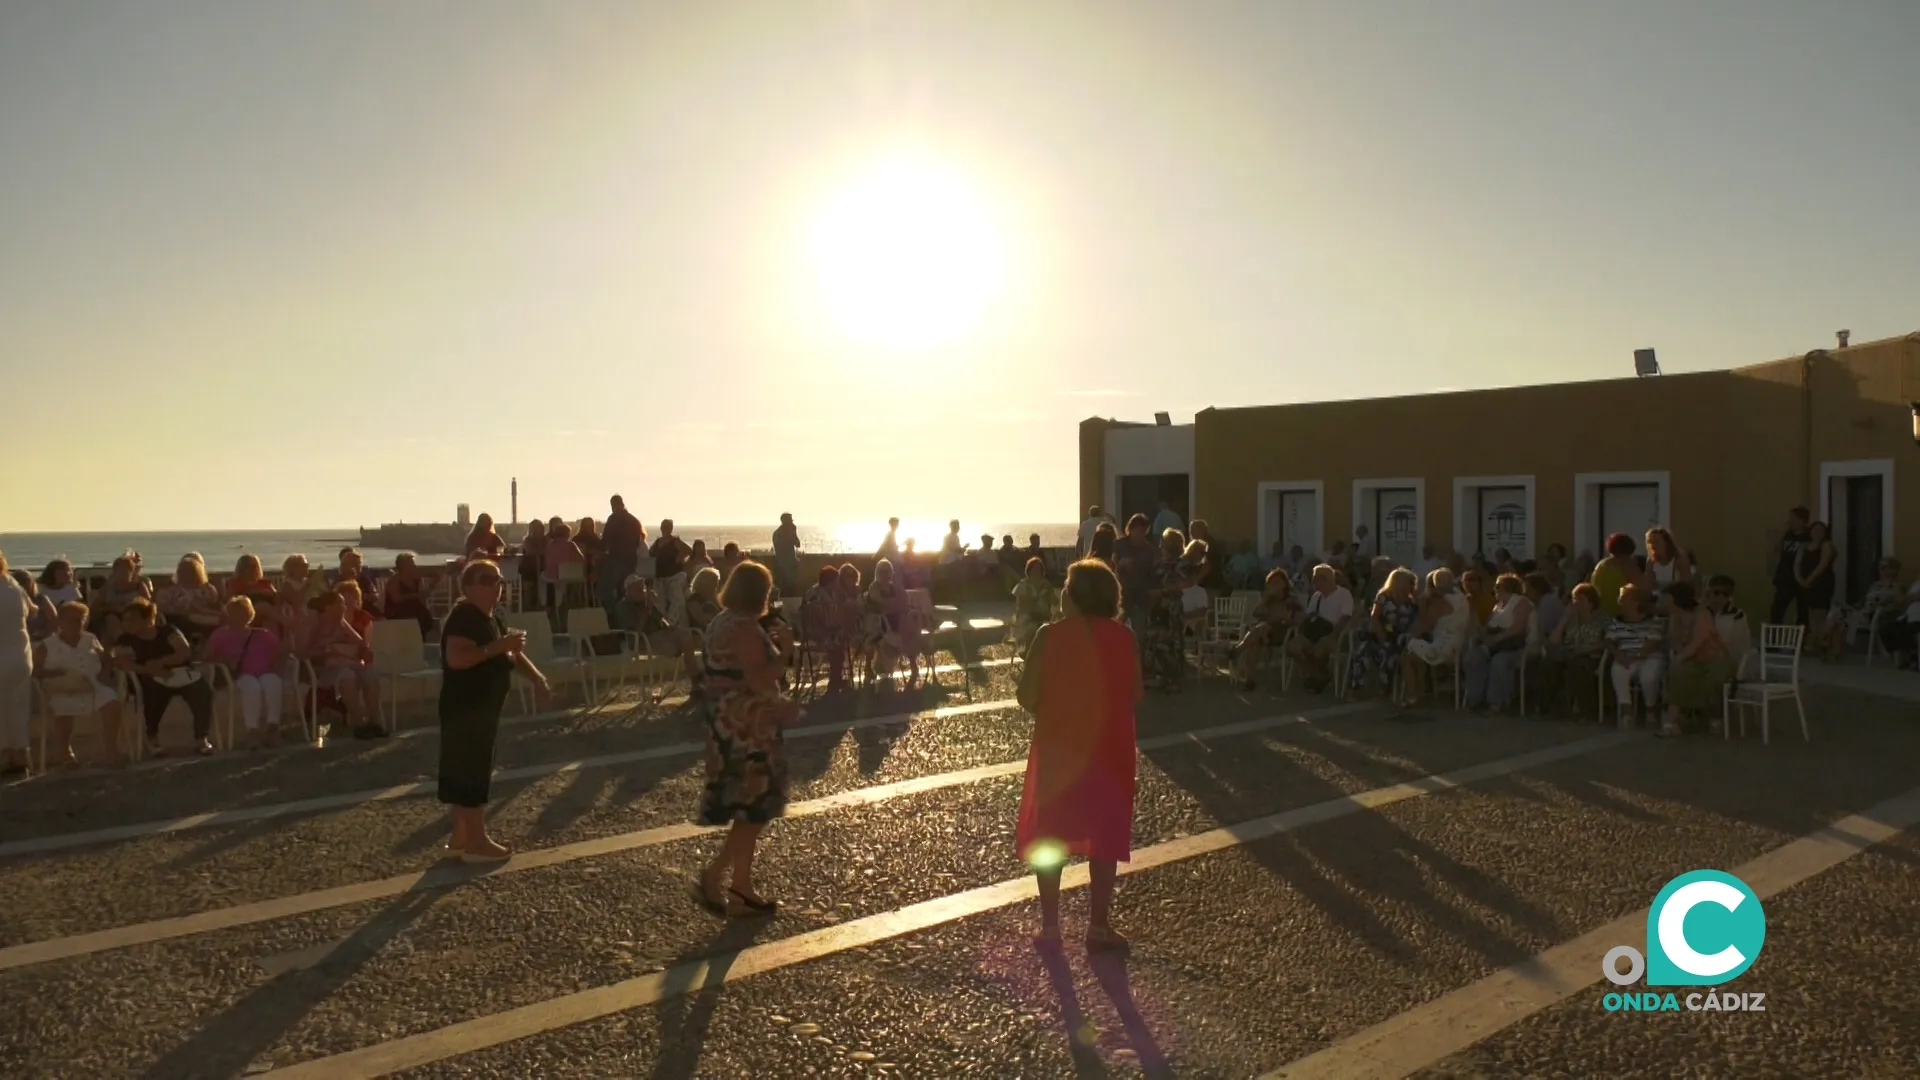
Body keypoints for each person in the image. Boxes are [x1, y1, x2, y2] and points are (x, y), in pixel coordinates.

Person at [1016, 558, 1139, 950]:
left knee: (1051, 832)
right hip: (1109, 748)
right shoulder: (1124, 638)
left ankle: (1051, 927)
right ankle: (1098, 925)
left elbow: (1026, 696)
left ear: (1074, 596)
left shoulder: (1048, 636)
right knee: (1103, 833)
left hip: (1060, 748)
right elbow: (1135, 692)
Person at [694, 560, 800, 917]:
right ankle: (715, 875)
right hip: (748, 730)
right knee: (754, 809)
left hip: (726, 726)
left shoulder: (720, 622)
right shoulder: (744, 628)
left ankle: (741, 885)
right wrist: (784, 651)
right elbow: (760, 678)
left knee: (749, 809)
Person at [438, 560, 551, 863]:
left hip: (482, 709)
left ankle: (461, 838)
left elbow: (512, 652)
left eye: (499, 580)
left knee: (468, 770)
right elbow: (457, 658)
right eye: (487, 580)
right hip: (466, 708)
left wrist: (537, 678)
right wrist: (496, 647)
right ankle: (477, 842)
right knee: (472, 772)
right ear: (469, 586)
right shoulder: (464, 617)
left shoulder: (490, 617)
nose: (496, 586)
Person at [113, 598, 215, 757]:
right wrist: (151, 670)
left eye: (131, 619)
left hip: (178, 673)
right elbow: (123, 663)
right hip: (146, 677)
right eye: (125, 619)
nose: (126, 623)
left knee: (202, 691)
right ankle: (152, 737)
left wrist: (161, 663)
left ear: (147, 619)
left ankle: (201, 738)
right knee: (153, 692)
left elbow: (183, 652)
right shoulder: (125, 640)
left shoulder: (168, 632)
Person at [32, 600, 125, 767]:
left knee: (111, 702)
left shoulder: (90, 639)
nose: (76, 623)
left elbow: (105, 658)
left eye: (80, 619)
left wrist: (105, 673)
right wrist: (57, 674)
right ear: (60, 621)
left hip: (93, 683)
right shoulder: (46, 645)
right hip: (63, 687)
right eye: (71, 620)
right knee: (63, 708)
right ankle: (65, 753)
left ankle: (111, 751)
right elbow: (35, 671)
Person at [204, 596, 286, 748]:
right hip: (240, 675)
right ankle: (252, 731)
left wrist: (277, 666)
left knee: (273, 682)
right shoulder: (221, 634)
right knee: (251, 686)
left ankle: (273, 728)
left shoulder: (264, 634)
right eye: (235, 613)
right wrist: (225, 660)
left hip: (264, 672)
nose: (239, 617)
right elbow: (208, 656)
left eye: (243, 613)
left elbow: (280, 652)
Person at [1664, 581, 1731, 738]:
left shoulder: (1702, 614)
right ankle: (1672, 723)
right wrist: (1680, 655)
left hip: (1713, 658)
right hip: (1692, 659)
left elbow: (1698, 640)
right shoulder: (1676, 617)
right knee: (1677, 674)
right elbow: (1674, 639)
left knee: (1714, 678)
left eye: (1668, 598)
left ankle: (1716, 718)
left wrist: (1682, 657)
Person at [1400, 568, 1471, 708]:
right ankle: (1419, 692)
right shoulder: (1461, 597)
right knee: (1416, 654)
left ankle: (1412, 695)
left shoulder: (1442, 602)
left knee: (1406, 657)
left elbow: (1425, 624)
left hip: (1443, 647)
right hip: (1458, 645)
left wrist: (1422, 607)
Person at [1463, 573, 1533, 712]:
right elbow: (1487, 628)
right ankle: (1476, 698)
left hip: (1514, 646)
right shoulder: (1498, 607)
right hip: (1495, 645)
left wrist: (1497, 638)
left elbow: (1518, 628)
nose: (1494, 590)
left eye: (1497, 587)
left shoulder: (1521, 602)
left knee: (1499, 662)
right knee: (1473, 658)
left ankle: (1496, 702)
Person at [1286, 564, 1355, 692]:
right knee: (1292, 647)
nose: (1313, 582)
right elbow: (1310, 615)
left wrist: (1334, 634)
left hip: (1334, 633)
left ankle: (1316, 676)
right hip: (1315, 631)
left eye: (1315, 579)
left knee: (1319, 648)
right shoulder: (1316, 596)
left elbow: (1346, 618)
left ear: (1326, 579)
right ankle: (1318, 675)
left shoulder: (1344, 594)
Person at [1350, 568, 1419, 697]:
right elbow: (1374, 617)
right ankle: (1356, 687)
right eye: (1410, 583)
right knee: (1363, 651)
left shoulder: (1412, 602)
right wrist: (1381, 635)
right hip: (1380, 634)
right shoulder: (1384, 596)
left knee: (1389, 653)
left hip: (1399, 638)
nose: (1412, 586)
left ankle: (1385, 686)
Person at [1604, 584, 1666, 726]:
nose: (1621, 602)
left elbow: (1653, 643)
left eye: (1625, 599)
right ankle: (1627, 712)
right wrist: (1617, 654)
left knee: (1648, 676)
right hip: (1625, 655)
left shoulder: (1653, 621)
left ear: (1637, 602)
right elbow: (1609, 641)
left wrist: (1636, 656)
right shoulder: (1617, 622)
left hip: (1650, 656)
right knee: (1618, 670)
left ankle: (1650, 709)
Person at [1, 553, 40, 772]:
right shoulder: (14, 586)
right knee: (18, 708)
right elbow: (32, 611)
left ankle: (5, 757)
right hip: (20, 656)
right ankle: (20, 758)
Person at [1232, 569, 1301, 688]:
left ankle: (1238, 649)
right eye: (1271, 583)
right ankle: (1250, 680)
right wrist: (1265, 600)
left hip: (1283, 632)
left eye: (1277, 582)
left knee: (1263, 627)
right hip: (1265, 632)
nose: (1274, 585)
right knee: (1253, 644)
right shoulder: (1269, 600)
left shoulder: (1291, 599)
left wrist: (1274, 617)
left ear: (1284, 584)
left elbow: (1286, 617)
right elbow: (1256, 613)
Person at [157, 554, 223, 644]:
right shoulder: (170, 591)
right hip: (182, 618)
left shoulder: (206, 589)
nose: (186, 574)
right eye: (183, 571)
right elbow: (163, 608)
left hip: (206, 616)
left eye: (190, 571)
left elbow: (215, 604)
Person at [1794, 520, 1838, 653]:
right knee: (1810, 613)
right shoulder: (1804, 546)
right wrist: (1800, 579)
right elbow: (1796, 564)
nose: (1817, 533)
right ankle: (1813, 642)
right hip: (1805, 583)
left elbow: (1822, 565)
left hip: (1822, 583)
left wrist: (1810, 579)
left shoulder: (1826, 545)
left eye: (1820, 531)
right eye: (1814, 530)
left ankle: (1821, 643)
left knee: (1820, 612)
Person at [600, 495, 644, 621]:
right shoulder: (634, 521)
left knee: (607, 588)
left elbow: (605, 540)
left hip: (617, 559)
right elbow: (637, 542)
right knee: (624, 590)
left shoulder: (614, 519)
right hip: (630, 559)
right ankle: (624, 616)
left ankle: (614, 614)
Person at [1769, 506, 1811, 626]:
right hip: (1785, 577)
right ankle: (1775, 638)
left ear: (1802, 521)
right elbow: (1775, 549)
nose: (1789, 521)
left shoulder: (1808, 537)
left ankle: (1800, 638)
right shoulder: (1787, 535)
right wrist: (1784, 531)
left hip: (1801, 578)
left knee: (1803, 611)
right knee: (1777, 609)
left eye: (1793, 518)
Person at [1010, 558, 1061, 649]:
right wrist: (1033, 601)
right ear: (1029, 570)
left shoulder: (1046, 584)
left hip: (1043, 616)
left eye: (1039, 569)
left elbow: (1055, 602)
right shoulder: (1023, 585)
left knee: (1043, 625)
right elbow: (1021, 606)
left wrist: (1050, 596)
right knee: (1031, 626)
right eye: (1035, 569)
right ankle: (1029, 649)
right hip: (1027, 617)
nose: (1037, 572)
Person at [383, 553, 438, 634]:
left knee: (421, 613)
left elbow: (422, 597)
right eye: (411, 564)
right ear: (403, 566)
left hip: (414, 610)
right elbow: (396, 599)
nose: (414, 566)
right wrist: (416, 595)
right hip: (398, 612)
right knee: (414, 614)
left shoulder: (416, 579)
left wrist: (431, 587)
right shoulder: (394, 580)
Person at [651, 521, 694, 625]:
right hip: (660, 576)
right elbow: (650, 554)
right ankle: (663, 623)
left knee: (676, 600)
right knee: (659, 602)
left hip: (674, 575)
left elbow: (689, 550)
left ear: (671, 528)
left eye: (667, 527)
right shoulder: (658, 542)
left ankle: (673, 622)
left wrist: (681, 557)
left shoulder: (675, 541)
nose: (664, 529)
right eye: (663, 527)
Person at [1589, 533, 1639, 617]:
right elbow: (1640, 589)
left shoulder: (1601, 565)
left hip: (1600, 614)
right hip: (1620, 614)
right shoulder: (1628, 565)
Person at [772, 513, 802, 597]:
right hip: (783, 565)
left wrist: (793, 533)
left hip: (789, 564)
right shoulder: (778, 534)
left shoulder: (779, 533)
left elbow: (798, 544)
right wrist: (792, 534)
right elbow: (788, 547)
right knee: (786, 588)